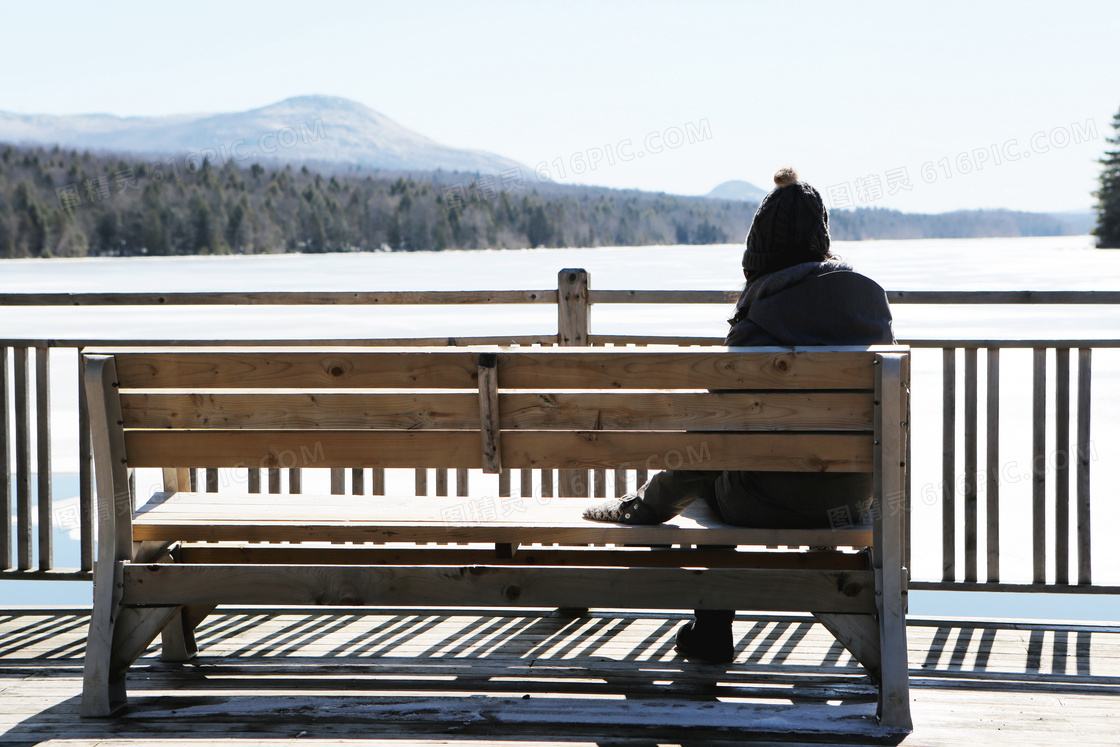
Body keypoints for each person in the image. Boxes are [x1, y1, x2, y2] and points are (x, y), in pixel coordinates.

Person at [583, 167, 895, 664]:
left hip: (765, 502)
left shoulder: (755, 327)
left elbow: (712, 446)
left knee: (709, 486)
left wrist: (647, 507)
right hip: (856, 501)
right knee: (737, 473)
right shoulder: (871, 312)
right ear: (824, 242)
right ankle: (874, 639)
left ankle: (712, 630)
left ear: (758, 249)